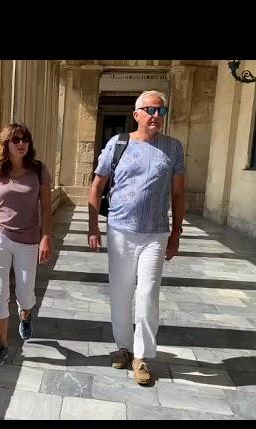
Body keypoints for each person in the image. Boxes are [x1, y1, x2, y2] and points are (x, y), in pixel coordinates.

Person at [88, 90, 185, 386]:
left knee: (147, 293)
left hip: (155, 233)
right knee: (120, 291)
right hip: (120, 230)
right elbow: (96, 187)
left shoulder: (174, 148)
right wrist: (94, 227)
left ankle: (142, 356)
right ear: (137, 114)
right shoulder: (117, 144)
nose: (156, 116)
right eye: (150, 110)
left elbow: (178, 193)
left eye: (161, 111)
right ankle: (123, 347)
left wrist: (176, 233)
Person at [0, 123, 53, 368]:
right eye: (16, 139)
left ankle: (25, 314)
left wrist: (46, 237)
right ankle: (1, 345)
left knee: (25, 292)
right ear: (6, 144)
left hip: (28, 239)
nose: (21, 144)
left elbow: (46, 207)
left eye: (25, 139)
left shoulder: (38, 170)